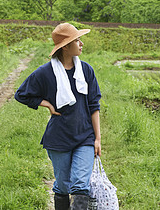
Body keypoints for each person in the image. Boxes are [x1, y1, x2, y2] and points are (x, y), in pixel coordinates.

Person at [14, 23, 101, 210]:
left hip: (84, 135)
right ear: (65, 46)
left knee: (80, 185)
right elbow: (21, 94)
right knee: (63, 185)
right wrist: (46, 104)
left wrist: (97, 138)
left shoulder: (86, 71)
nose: (81, 43)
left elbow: (94, 105)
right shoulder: (45, 73)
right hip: (59, 137)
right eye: (77, 40)